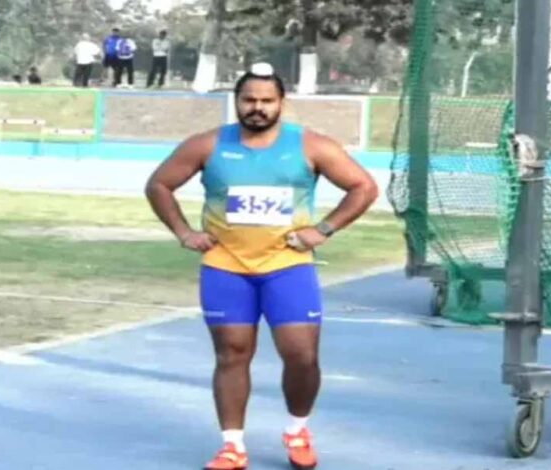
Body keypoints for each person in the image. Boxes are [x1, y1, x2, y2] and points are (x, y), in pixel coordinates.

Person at [145, 63, 378, 470]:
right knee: (232, 354)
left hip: (288, 266)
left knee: (301, 356)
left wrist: (323, 229)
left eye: (266, 100)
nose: (257, 107)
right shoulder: (208, 145)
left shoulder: (310, 145)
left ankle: (297, 430)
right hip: (225, 267)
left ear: (281, 103)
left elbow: (364, 187)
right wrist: (184, 233)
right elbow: (159, 184)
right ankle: (232, 446)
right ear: (236, 101)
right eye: (249, 99)